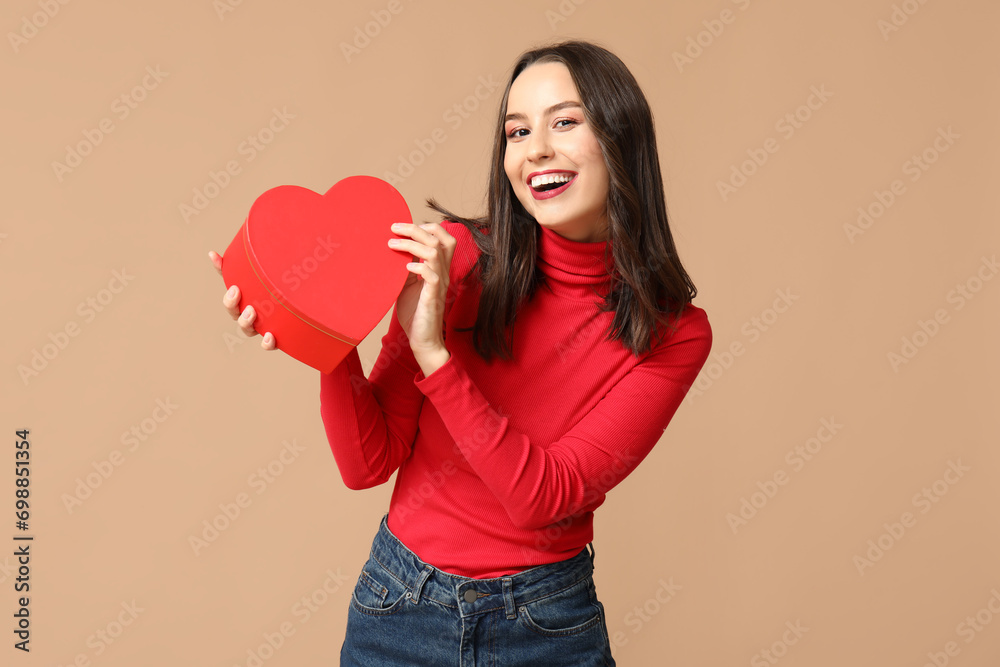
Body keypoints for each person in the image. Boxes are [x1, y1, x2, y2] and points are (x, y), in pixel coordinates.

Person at [209, 39, 712, 667]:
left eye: (564, 122)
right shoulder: (457, 260)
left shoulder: (673, 332)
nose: (537, 150)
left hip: (548, 624)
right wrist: (324, 336)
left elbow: (544, 499)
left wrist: (435, 357)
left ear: (621, 135)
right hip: (400, 608)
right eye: (517, 130)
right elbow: (368, 463)